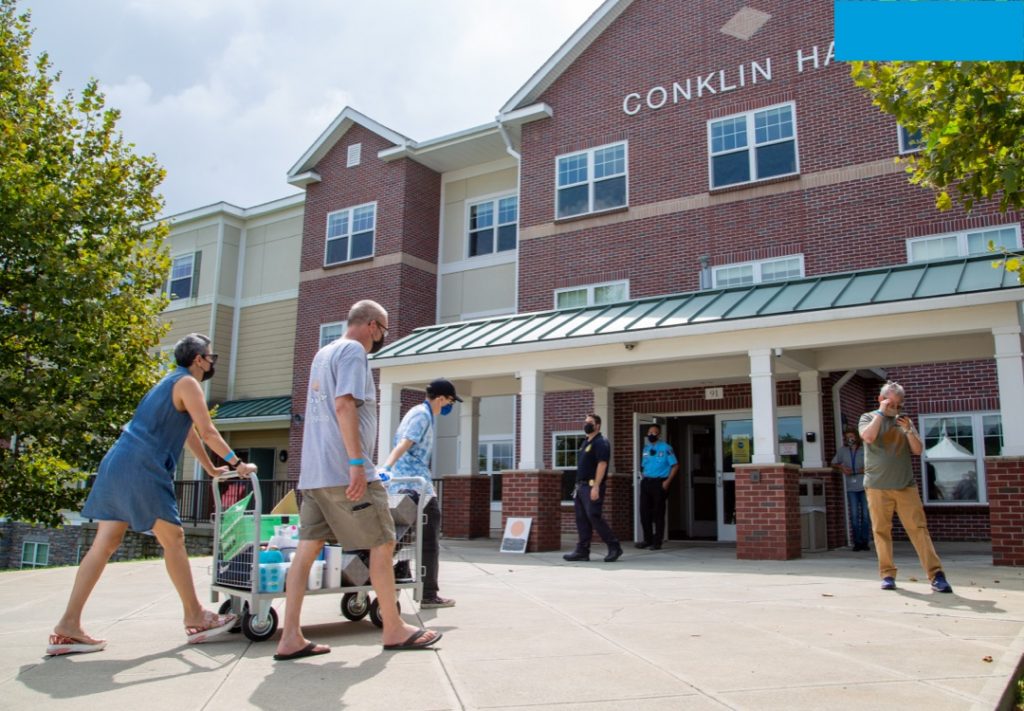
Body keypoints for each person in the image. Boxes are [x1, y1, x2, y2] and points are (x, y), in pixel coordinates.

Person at [47, 333, 257, 656]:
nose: (212, 363)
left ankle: (68, 625)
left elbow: (188, 432)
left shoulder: (168, 383)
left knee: (105, 543)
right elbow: (208, 430)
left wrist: (211, 469)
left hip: (119, 462)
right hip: (143, 466)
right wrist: (237, 463)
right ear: (198, 359)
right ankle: (195, 615)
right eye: (211, 357)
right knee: (173, 538)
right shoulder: (189, 384)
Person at [274, 300, 441, 661]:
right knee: (383, 542)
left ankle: (290, 636)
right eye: (383, 330)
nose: (382, 337)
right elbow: (344, 405)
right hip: (344, 471)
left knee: (306, 551)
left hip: (314, 475)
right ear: (370, 325)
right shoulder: (352, 351)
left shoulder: (323, 353)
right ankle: (394, 629)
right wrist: (355, 464)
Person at [859, 381, 953, 593]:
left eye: (899, 405)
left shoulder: (904, 421)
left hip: (905, 486)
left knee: (919, 530)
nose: (896, 408)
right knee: (881, 531)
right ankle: (887, 575)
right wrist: (881, 414)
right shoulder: (867, 418)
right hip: (877, 486)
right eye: (891, 403)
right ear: (881, 400)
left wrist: (909, 430)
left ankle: (936, 574)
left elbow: (918, 450)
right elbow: (868, 436)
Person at [379, 378, 460, 609]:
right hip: (416, 485)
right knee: (428, 534)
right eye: (450, 401)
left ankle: (384, 570)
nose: (449, 406)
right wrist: (386, 465)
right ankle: (427, 593)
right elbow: (405, 443)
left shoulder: (417, 412)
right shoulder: (422, 415)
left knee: (404, 534)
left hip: (409, 482)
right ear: (442, 398)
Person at [564, 413, 623, 563]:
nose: (586, 424)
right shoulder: (586, 442)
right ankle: (582, 551)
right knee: (581, 519)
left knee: (594, 516)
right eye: (585, 422)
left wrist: (596, 486)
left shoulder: (601, 442)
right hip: (580, 486)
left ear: (597, 425)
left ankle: (614, 546)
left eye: (590, 422)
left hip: (591, 486)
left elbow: (602, 465)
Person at [636, 424, 679, 550]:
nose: (651, 435)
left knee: (658, 513)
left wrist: (667, 482)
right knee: (644, 512)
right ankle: (647, 539)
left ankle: (657, 541)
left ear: (659, 434)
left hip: (659, 483)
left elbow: (675, 466)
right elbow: (644, 466)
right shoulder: (646, 449)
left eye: (654, 433)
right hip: (647, 482)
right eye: (649, 432)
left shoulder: (666, 448)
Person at [832, 427, 870, 551]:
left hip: (864, 485)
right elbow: (834, 463)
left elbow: (872, 465)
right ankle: (857, 542)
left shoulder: (864, 449)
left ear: (857, 437)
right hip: (851, 487)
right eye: (848, 437)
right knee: (854, 515)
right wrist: (841, 468)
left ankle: (865, 541)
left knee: (865, 515)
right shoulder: (843, 451)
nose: (850, 439)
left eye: (852, 436)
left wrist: (861, 470)